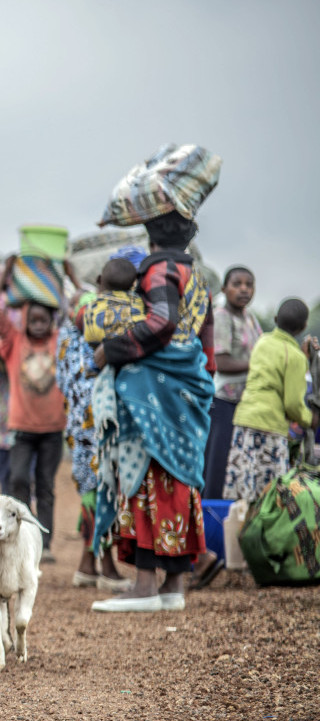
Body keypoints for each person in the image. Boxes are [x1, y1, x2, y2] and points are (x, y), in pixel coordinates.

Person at [90, 210, 216, 613]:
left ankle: (145, 585)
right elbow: (206, 345)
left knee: (146, 473)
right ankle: (174, 584)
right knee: (179, 478)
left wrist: (109, 350)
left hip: (155, 385)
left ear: (151, 237)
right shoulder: (198, 277)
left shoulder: (160, 269)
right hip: (188, 385)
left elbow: (161, 323)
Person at [0, 255, 66, 561]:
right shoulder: (14, 342)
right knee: (18, 479)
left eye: (44, 320)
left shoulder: (60, 341)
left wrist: (63, 277)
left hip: (53, 430)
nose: (38, 325)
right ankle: (22, 536)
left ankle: (43, 545)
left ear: (51, 321)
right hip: (21, 428)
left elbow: (73, 317)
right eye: (33, 320)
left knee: (45, 485)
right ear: (25, 320)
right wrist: (5, 273)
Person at [58, 286, 129, 591]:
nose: (87, 315)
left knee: (96, 494)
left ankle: (88, 565)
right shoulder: (85, 348)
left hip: (82, 432)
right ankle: (105, 565)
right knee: (100, 494)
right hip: (91, 434)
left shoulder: (70, 342)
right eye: (82, 309)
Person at [223, 299, 318, 511]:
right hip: (268, 426)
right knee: (271, 496)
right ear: (303, 327)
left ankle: (238, 536)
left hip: (244, 420)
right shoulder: (295, 357)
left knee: (245, 490)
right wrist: (309, 419)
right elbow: (293, 403)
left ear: (275, 319)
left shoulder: (263, 341)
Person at [201, 266, 261, 500]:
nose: (244, 289)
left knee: (237, 467)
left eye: (249, 284)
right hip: (222, 402)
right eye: (237, 284)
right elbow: (221, 361)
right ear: (225, 289)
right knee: (218, 465)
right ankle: (211, 523)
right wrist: (260, 364)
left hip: (244, 404)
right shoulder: (222, 316)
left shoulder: (250, 318)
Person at [83, 258, 145, 344]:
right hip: (134, 344)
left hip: (100, 348)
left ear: (99, 279)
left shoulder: (92, 305)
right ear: (133, 285)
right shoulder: (137, 300)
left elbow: (89, 336)